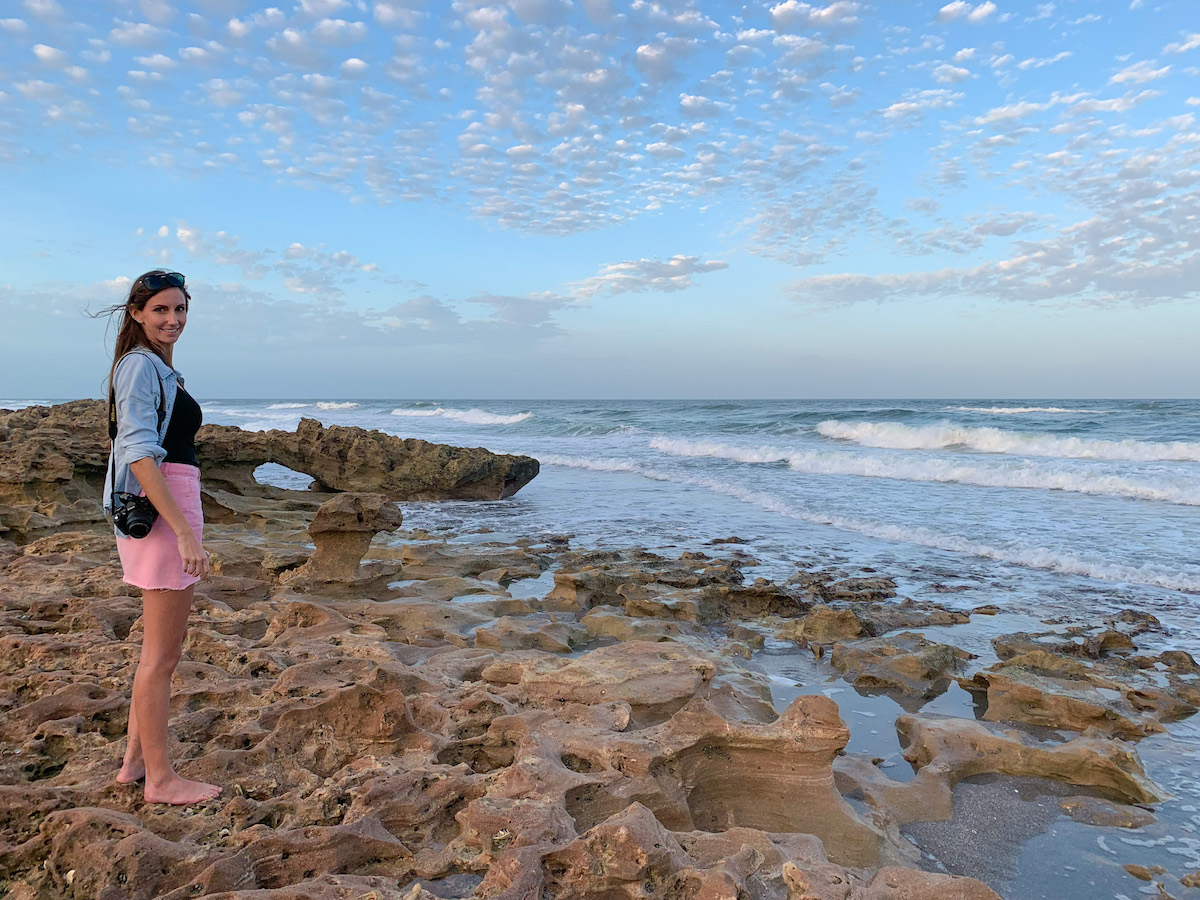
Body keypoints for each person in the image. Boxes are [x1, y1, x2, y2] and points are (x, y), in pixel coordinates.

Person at [101, 269, 221, 805]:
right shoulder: (139, 367)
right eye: (161, 311)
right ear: (136, 315)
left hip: (171, 503)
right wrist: (185, 534)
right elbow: (139, 453)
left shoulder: (156, 368)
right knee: (161, 659)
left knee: (157, 655)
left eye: (180, 310)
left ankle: (132, 764)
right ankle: (162, 780)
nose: (173, 320)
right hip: (164, 510)